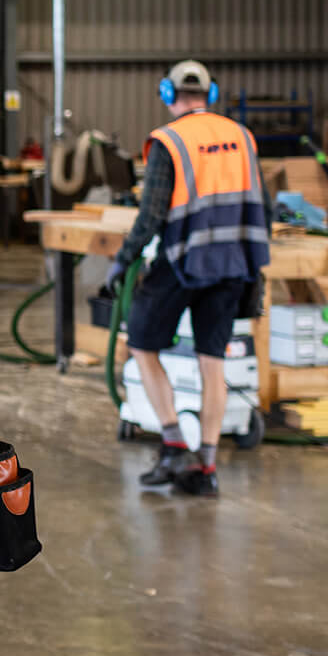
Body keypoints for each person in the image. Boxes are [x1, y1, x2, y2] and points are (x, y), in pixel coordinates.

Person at [107, 58, 270, 497]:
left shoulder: (170, 141)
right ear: (210, 94)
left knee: (142, 344)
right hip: (233, 264)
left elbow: (151, 214)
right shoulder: (242, 136)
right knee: (212, 361)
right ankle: (206, 467)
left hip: (183, 262)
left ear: (168, 93)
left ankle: (175, 444)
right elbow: (262, 203)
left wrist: (123, 259)